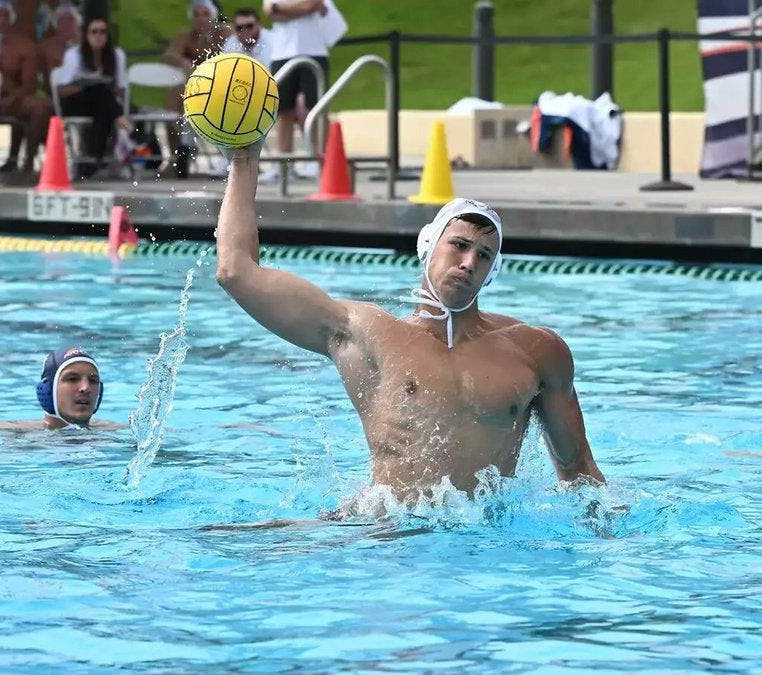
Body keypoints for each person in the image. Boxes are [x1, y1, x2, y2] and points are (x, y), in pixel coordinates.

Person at [214, 143, 605, 503]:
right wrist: (245, 160)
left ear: (493, 272)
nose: (469, 262)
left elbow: (577, 468)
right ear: (428, 245)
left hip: (486, 542)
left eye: (485, 255)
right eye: (459, 245)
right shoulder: (366, 333)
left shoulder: (536, 351)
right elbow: (236, 271)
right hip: (386, 536)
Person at [264, 0, 335, 179]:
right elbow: (269, 10)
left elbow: (312, 4)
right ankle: (284, 165)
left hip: (314, 50)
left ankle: (321, 161)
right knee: (283, 110)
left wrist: (281, 9)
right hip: (282, 52)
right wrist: (300, 9)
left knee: (317, 109)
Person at [55, 15, 130, 178]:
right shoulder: (74, 54)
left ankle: (89, 164)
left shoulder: (116, 55)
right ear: (86, 34)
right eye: (93, 32)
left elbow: (122, 90)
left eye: (102, 32)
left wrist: (107, 85)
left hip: (103, 105)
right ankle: (119, 118)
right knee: (99, 91)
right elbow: (62, 91)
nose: (98, 36)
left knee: (103, 102)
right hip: (76, 102)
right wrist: (86, 84)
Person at [161, 0, 226, 177]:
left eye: (205, 14)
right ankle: (178, 156)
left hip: (221, 89)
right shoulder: (187, 36)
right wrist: (184, 62)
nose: (201, 19)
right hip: (196, 92)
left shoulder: (224, 33)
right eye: (196, 15)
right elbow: (169, 55)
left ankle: (231, 157)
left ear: (214, 16)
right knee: (174, 96)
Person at [0, 0, 51, 177]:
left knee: (41, 107)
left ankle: (28, 161)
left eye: (5, 15)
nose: (1, 20)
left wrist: (12, 98)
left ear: (12, 19)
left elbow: (29, 85)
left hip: (11, 98)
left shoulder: (24, 46)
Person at [37, 1, 78, 75]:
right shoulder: (48, 47)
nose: (66, 25)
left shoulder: (87, 44)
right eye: (61, 21)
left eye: (69, 20)